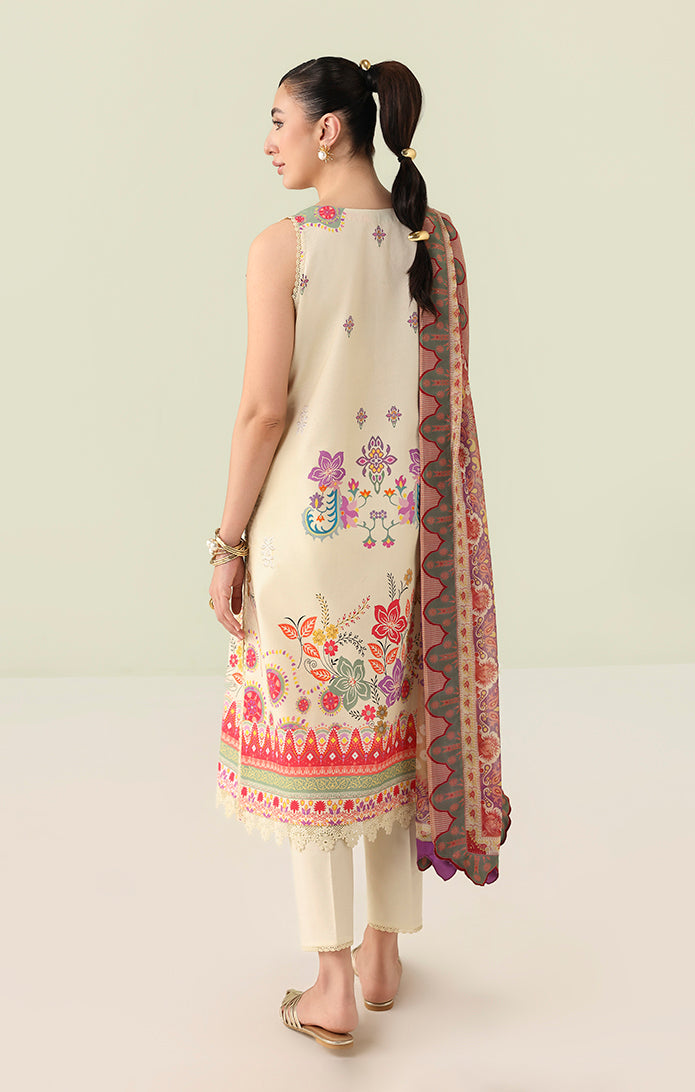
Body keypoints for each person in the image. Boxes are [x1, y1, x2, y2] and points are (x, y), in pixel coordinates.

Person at [208, 56, 511, 1050]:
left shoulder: (284, 247)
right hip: (404, 544)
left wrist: (226, 543)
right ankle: (385, 955)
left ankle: (332, 984)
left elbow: (264, 413)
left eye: (279, 122)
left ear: (329, 129)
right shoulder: (436, 241)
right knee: (389, 739)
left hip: (305, 539)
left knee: (315, 756)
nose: (269, 143)